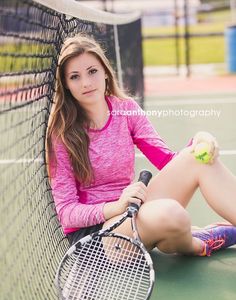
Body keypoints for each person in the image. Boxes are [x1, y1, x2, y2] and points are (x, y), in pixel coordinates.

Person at [46, 33, 236, 257]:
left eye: (92, 71)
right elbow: (67, 213)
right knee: (173, 215)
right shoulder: (61, 134)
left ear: (106, 73)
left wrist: (199, 141)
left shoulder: (125, 109)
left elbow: (167, 160)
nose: (86, 82)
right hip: (100, 235)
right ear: (66, 85)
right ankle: (200, 242)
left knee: (198, 158)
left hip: (135, 209)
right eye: (75, 77)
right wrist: (117, 207)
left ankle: (177, 234)